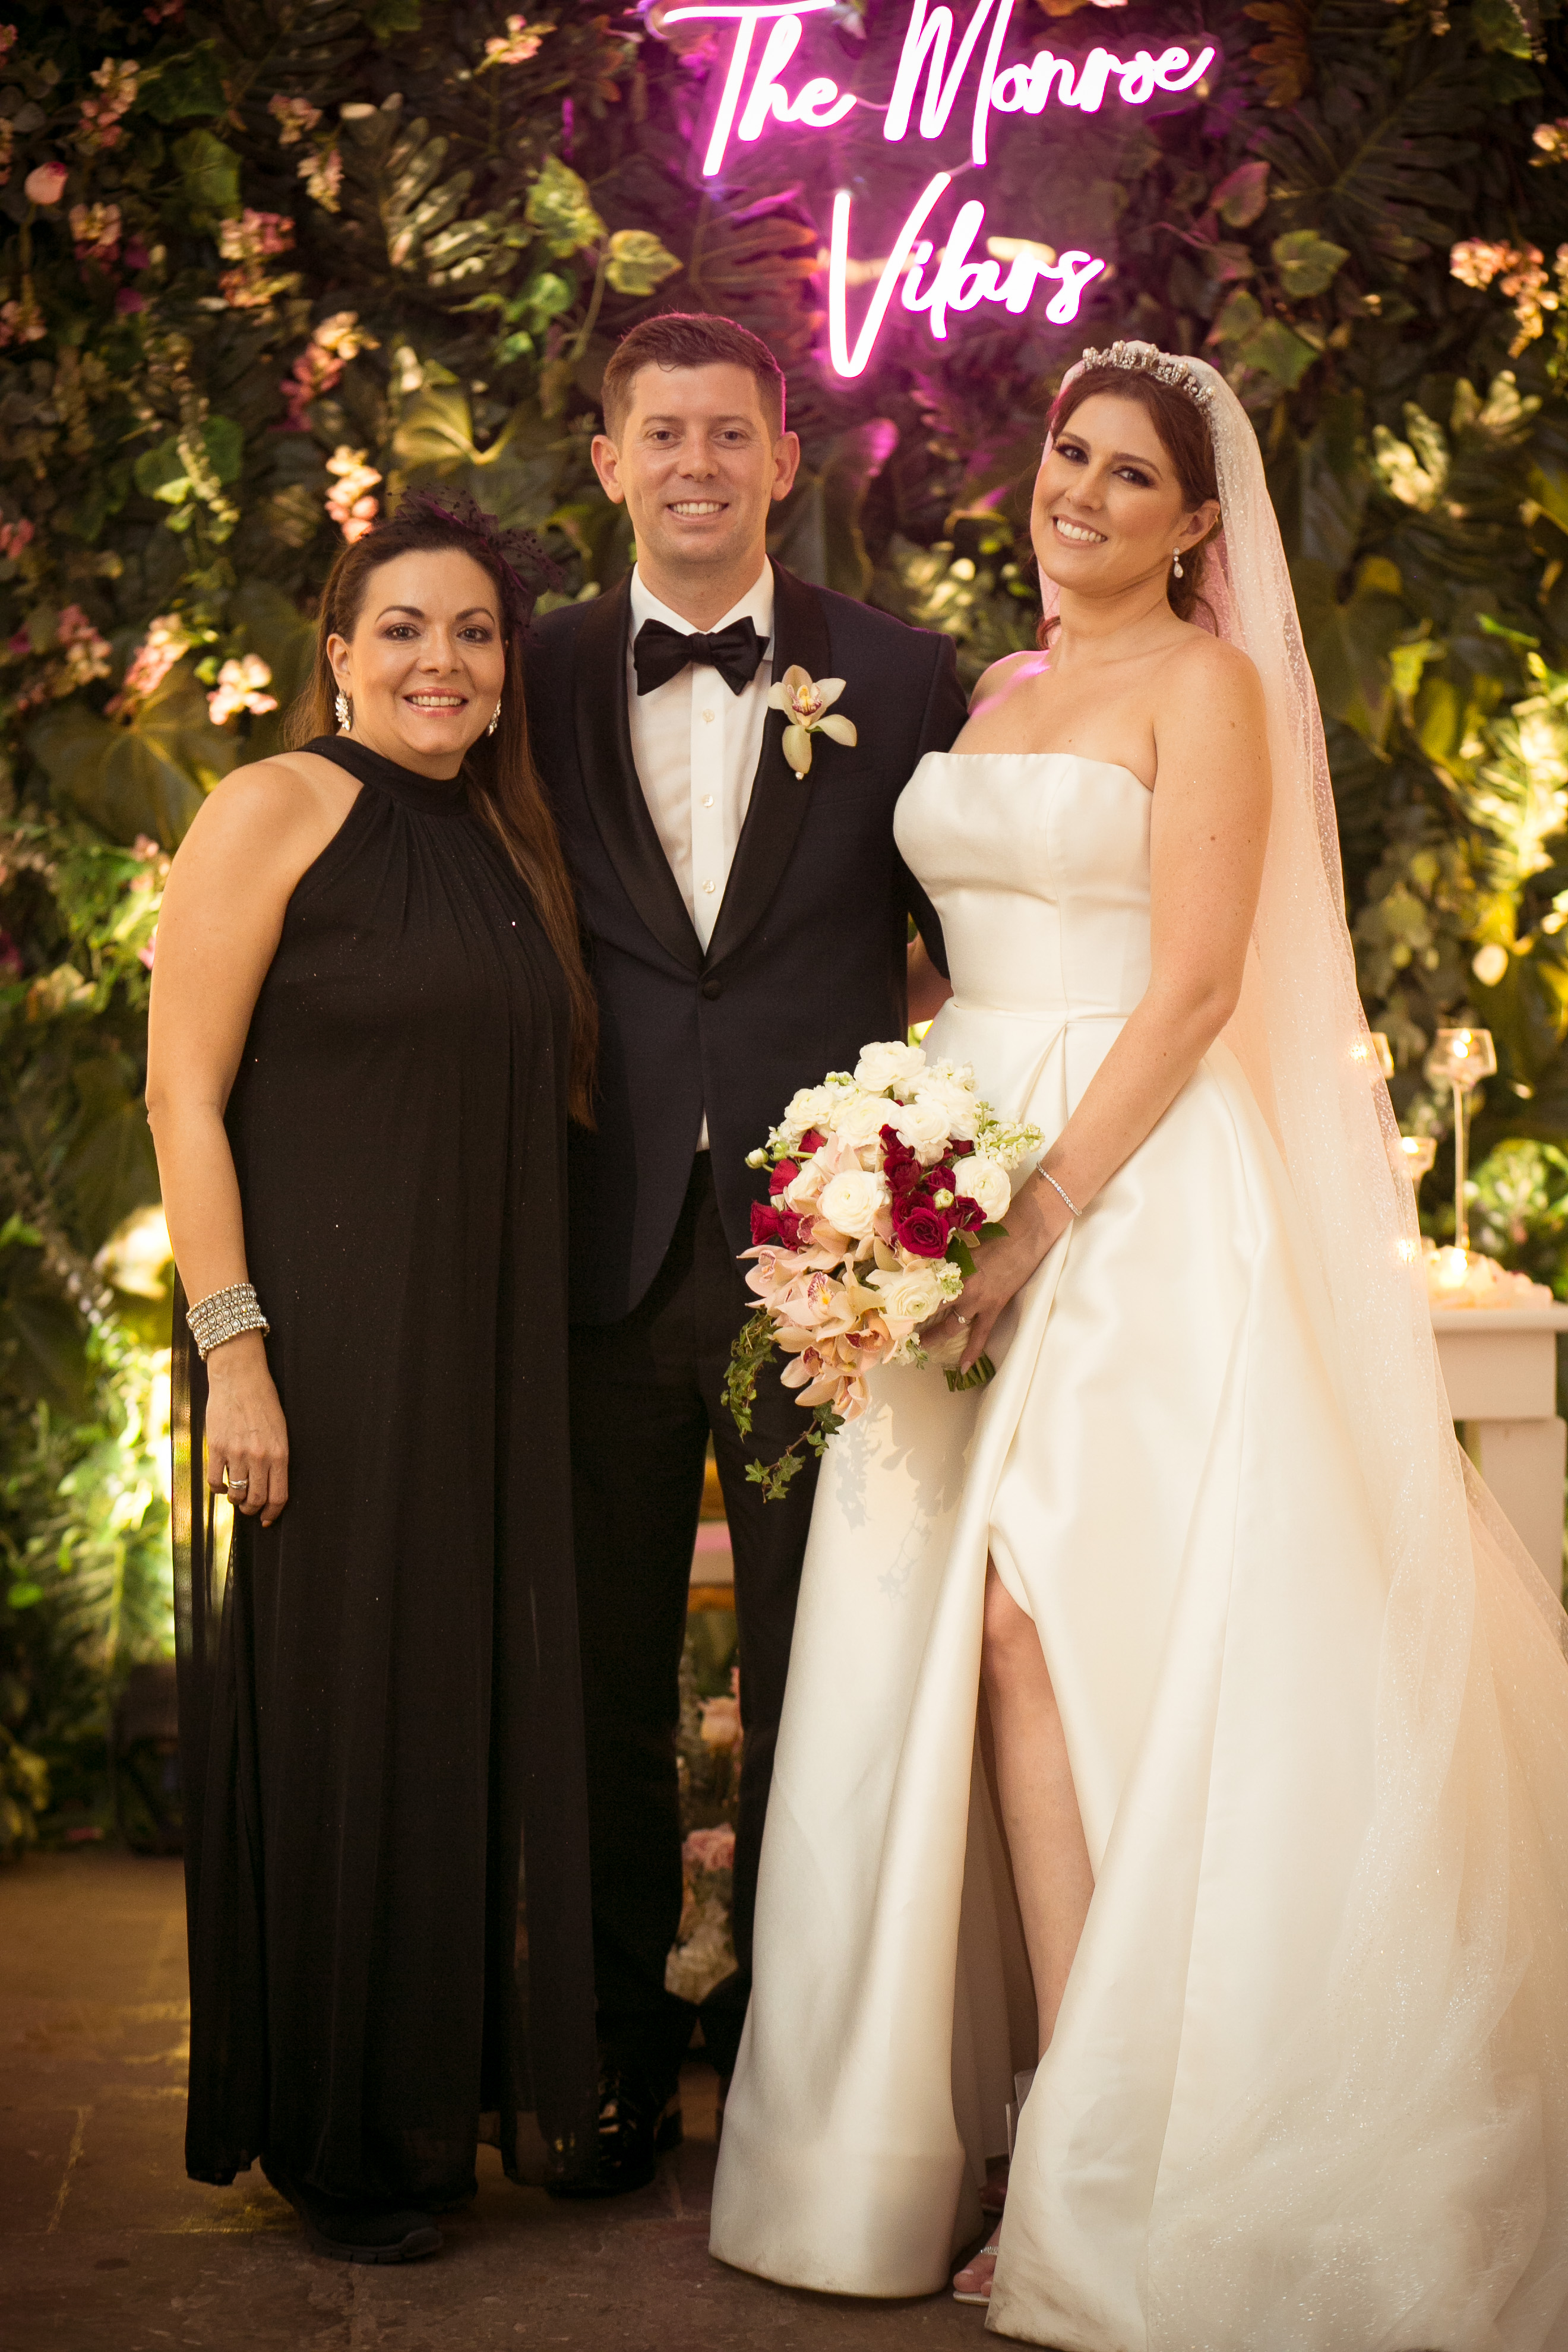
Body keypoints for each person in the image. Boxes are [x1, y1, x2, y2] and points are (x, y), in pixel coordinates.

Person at [710, 342, 1568, 2347]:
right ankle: (1025, 2119)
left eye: (1129, 475)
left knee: (1063, 1627)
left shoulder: (1212, 692)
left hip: (1137, 1190)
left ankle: (1108, 2156)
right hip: (956, 1167)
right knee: (952, 1648)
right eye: (1068, 455)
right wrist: (880, 1178)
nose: (1080, 492)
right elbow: (950, 959)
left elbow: (1189, 990)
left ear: (1196, 527)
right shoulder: (998, 692)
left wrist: (1036, 1221)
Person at [523, 312, 968, 2191]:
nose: (695, 464)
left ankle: (793, 2075)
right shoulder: (529, 667)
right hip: (595, 1257)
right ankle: (617, 2063)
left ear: (787, 459)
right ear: (608, 460)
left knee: (818, 1673)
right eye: (662, 433)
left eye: (731, 433)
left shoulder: (906, 674)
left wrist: (926, 1191)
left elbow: (966, 951)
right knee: (602, 1676)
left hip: (820, 1275)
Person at [148, 495, 602, 2261]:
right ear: (338, 652)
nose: (441, 660)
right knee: (347, 1717)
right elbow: (184, 1093)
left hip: (480, 1357)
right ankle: (340, 2140)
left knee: (446, 1719)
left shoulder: (505, 844)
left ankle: (423, 2111)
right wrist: (237, 1356)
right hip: (325, 1355)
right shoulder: (274, 806)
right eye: (403, 628)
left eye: (474, 632)